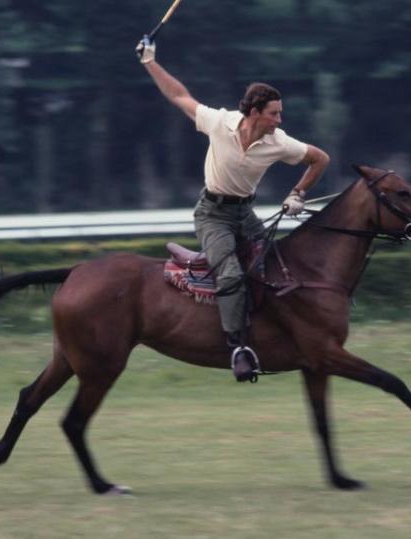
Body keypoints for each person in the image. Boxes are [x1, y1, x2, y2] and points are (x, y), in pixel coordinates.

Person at [136, 35, 329, 382]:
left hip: (245, 214)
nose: (280, 120)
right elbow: (179, 96)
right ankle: (238, 347)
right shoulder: (218, 122)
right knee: (230, 275)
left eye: (280, 113)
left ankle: (280, 334)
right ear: (254, 112)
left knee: (278, 268)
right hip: (212, 215)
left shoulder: (279, 143)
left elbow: (320, 159)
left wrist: (297, 193)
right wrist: (150, 61)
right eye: (274, 114)